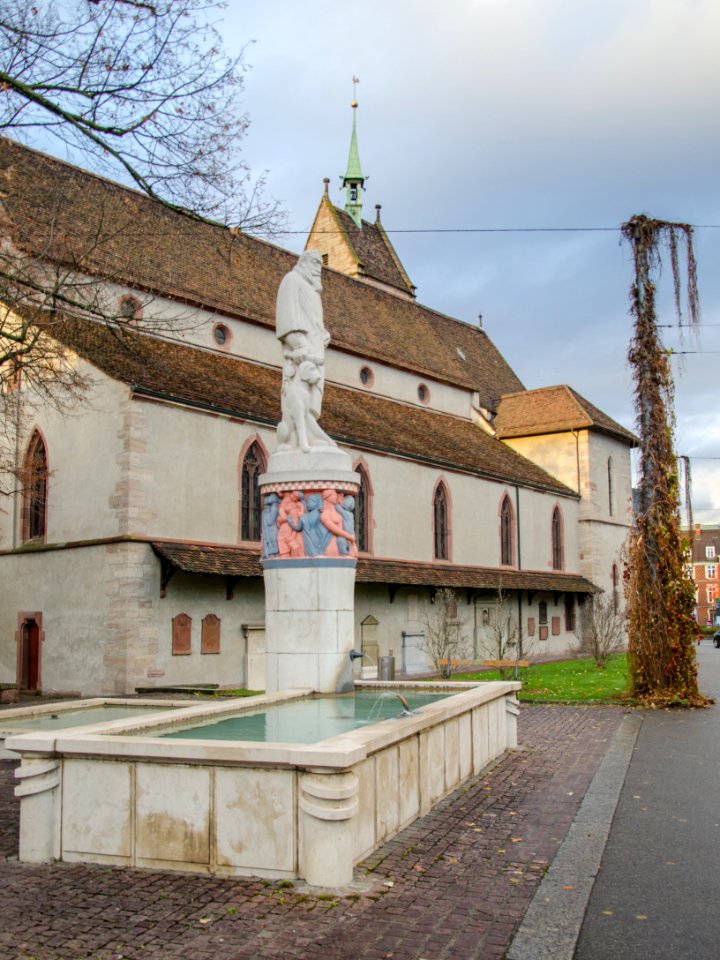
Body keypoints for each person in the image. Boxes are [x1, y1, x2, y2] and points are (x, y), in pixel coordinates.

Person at [275, 250, 336, 452]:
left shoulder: (312, 289)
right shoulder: (292, 280)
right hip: (302, 357)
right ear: (305, 263)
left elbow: (312, 322)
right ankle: (301, 440)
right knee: (298, 400)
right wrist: (299, 345)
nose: (318, 270)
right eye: (315, 264)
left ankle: (312, 436)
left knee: (309, 401)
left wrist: (323, 335)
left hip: (314, 354)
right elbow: (287, 318)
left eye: (320, 266)